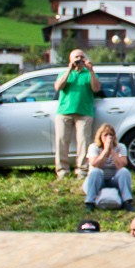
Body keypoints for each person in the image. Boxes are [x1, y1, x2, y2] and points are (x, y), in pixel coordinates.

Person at [53, 49, 98, 180]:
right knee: (61, 142)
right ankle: (62, 171)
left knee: (83, 143)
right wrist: (69, 69)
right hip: (64, 112)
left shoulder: (88, 73)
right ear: (70, 59)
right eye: (76, 57)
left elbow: (96, 88)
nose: (79, 59)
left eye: (81, 57)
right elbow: (58, 87)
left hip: (84, 112)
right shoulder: (64, 73)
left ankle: (82, 170)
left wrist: (91, 70)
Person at [83, 124, 134, 209]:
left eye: (111, 134)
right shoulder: (93, 147)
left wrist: (112, 151)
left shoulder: (121, 147)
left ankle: (127, 201)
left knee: (124, 171)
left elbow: (121, 165)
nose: (109, 137)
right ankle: (90, 202)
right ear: (100, 136)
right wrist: (106, 151)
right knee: (96, 171)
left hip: (114, 180)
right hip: (97, 181)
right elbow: (95, 164)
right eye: (106, 135)